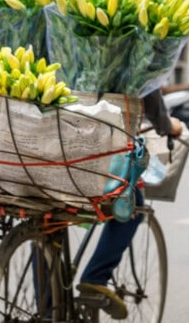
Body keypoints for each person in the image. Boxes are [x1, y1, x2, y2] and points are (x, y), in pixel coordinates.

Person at [78, 89, 182, 318]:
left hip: (49, 149)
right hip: (100, 149)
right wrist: (166, 125)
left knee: (45, 221)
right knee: (132, 206)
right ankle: (95, 278)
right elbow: (149, 90)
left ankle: (46, 309)